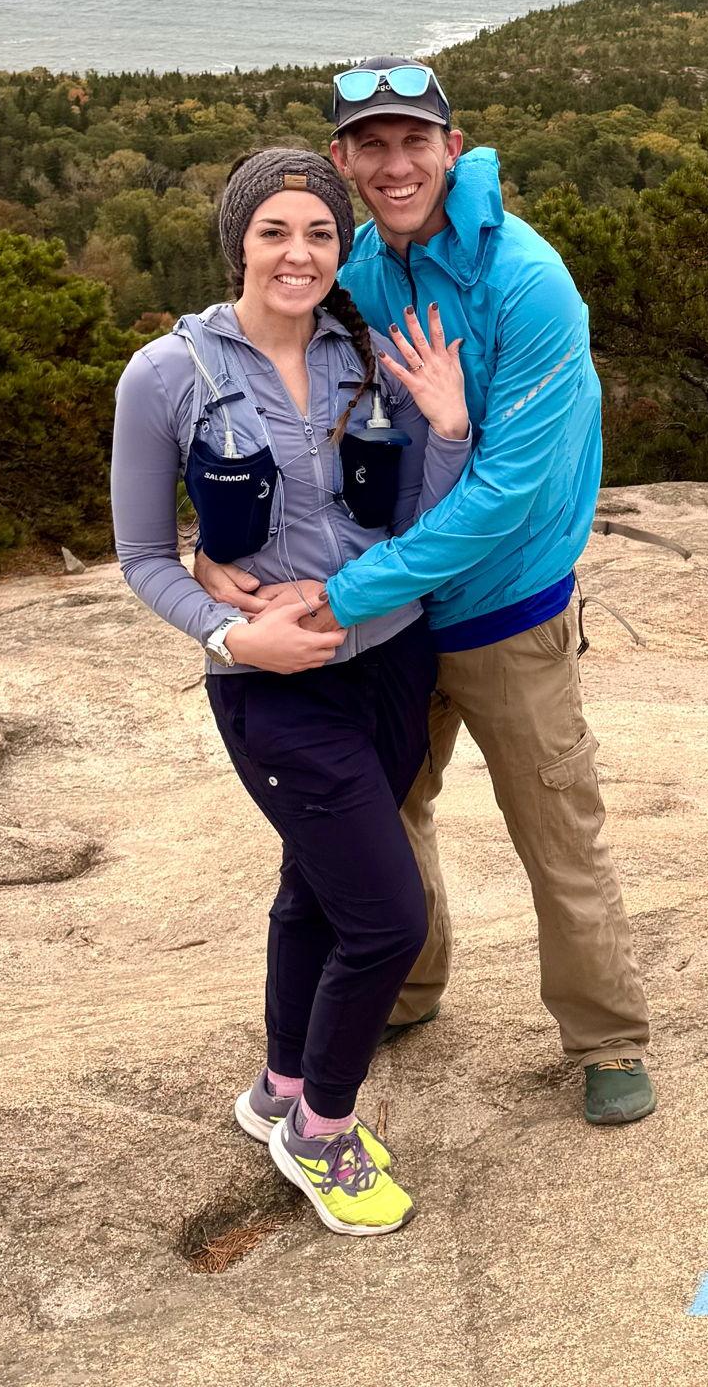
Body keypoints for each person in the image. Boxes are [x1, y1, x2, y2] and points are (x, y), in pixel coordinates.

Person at [195, 60, 654, 1127]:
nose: (395, 164)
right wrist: (221, 551)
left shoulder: (525, 281)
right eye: (371, 146)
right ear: (345, 163)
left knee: (556, 832)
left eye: (414, 141)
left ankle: (606, 1037)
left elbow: (501, 495)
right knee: (385, 818)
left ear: (454, 146)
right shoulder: (360, 268)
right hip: (392, 621)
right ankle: (405, 984)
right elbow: (289, 413)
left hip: (502, 612)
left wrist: (345, 594)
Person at [110, 146, 473, 1236]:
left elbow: (421, 520)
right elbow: (140, 555)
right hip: (277, 694)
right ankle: (321, 1127)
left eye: (319, 231)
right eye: (274, 231)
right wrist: (230, 634)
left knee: (316, 889)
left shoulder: (367, 350)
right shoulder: (166, 374)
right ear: (238, 242)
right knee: (387, 917)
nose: (299, 253)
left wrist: (448, 425)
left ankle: (278, 1084)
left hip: (395, 663)